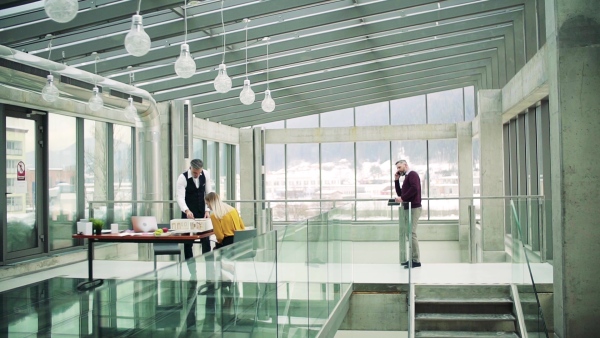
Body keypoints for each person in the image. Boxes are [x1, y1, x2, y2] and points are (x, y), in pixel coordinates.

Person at [176, 159, 212, 260]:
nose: (197, 174)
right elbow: (180, 197)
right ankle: (192, 273)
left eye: (199, 172)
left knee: (206, 241)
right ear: (190, 168)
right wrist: (186, 210)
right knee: (187, 243)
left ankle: (209, 269)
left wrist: (207, 210)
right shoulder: (182, 178)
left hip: (202, 211)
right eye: (195, 172)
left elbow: (208, 194)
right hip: (188, 212)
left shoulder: (205, 174)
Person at [394, 159, 422, 268]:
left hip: (414, 208)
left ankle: (416, 260)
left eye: (399, 167)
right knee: (408, 233)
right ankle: (412, 259)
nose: (398, 170)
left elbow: (415, 188)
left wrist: (403, 198)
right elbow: (401, 193)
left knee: (411, 233)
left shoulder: (412, 174)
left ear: (405, 165)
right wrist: (396, 180)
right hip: (408, 207)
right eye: (397, 168)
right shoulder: (406, 177)